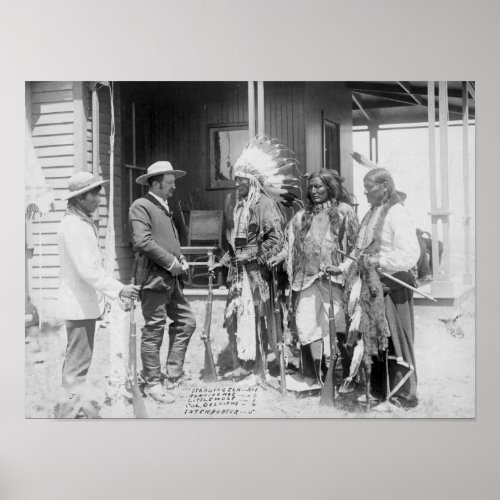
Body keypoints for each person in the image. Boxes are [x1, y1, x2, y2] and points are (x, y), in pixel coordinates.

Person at [210, 135, 300, 384]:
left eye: (242, 179)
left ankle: (261, 367)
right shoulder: (235, 205)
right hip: (238, 273)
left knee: (261, 316)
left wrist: (255, 256)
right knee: (236, 316)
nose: (237, 182)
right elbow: (232, 242)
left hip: (258, 274)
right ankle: (243, 365)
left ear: (252, 181)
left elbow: (276, 239)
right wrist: (224, 261)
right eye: (235, 178)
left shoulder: (264, 204)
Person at [56, 172, 140, 417]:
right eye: (95, 194)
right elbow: (89, 271)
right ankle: (67, 414)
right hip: (78, 306)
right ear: (81, 198)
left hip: (81, 305)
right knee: (77, 365)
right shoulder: (74, 226)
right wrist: (119, 289)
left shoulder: (78, 223)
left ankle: (73, 406)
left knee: (77, 362)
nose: (99, 199)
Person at [269, 170, 359, 388]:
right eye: (311, 187)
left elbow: (356, 247)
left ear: (330, 187)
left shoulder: (344, 212)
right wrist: (279, 257)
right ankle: (312, 375)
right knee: (307, 324)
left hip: (334, 280)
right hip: (305, 279)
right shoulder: (301, 216)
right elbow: (288, 245)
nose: (314, 191)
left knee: (335, 324)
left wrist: (343, 268)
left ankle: (339, 376)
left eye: (319, 186)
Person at [341, 168, 420, 408]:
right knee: (372, 338)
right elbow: (358, 250)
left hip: (392, 287)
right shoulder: (371, 214)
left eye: (369, 187)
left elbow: (409, 255)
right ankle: (379, 391)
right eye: (364, 187)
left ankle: (402, 396)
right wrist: (344, 267)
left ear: (385, 186)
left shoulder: (397, 213)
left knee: (394, 340)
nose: (364, 192)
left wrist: (380, 262)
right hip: (370, 287)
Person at [129, 161, 195, 403]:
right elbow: (142, 242)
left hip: (172, 278)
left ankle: (173, 375)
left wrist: (180, 258)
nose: (174, 187)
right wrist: (170, 262)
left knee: (187, 322)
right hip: (154, 278)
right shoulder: (141, 206)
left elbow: (165, 240)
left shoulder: (164, 207)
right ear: (155, 184)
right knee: (154, 330)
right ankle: (152, 383)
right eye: (169, 183)